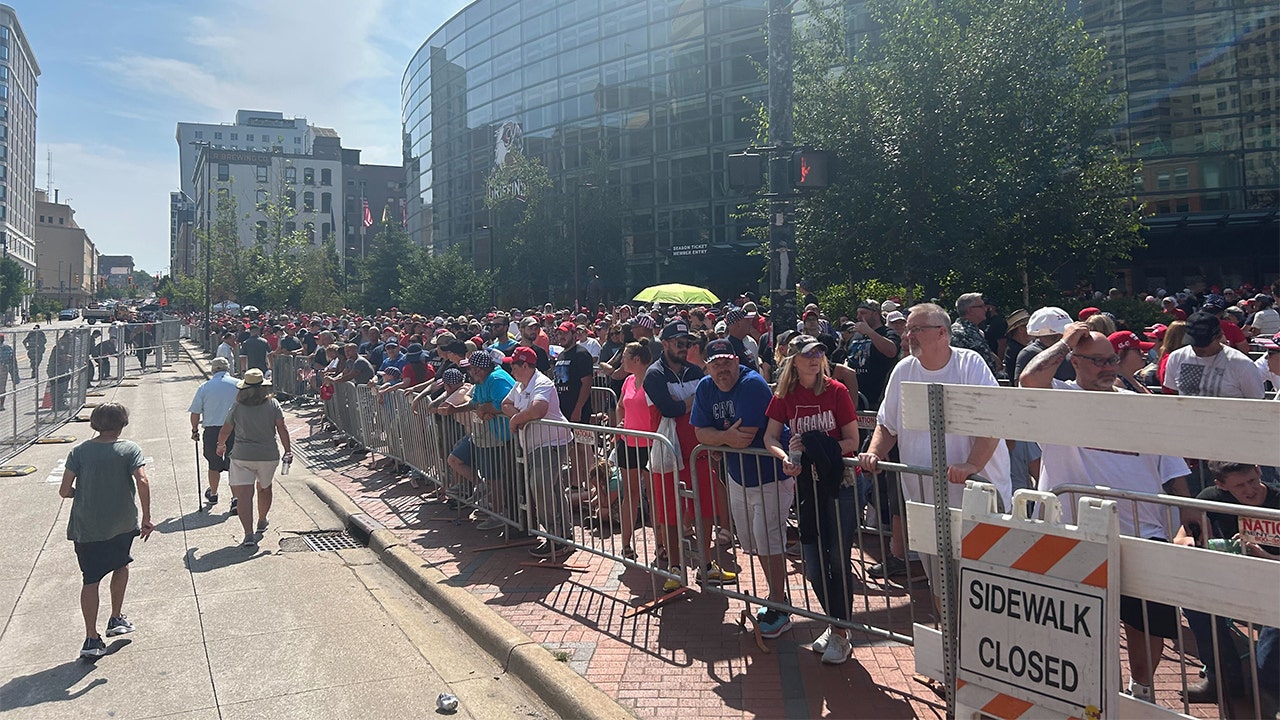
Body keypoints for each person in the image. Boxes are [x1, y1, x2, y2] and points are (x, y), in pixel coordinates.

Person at [1020, 323, 1191, 703]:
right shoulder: (1060, 397)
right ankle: (1090, 694)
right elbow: (1030, 379)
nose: (1108, 368)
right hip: (1079, 533)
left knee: (1148, 623)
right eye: (1097, 361)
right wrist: (1066, 340)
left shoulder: (1139, 404)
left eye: (1111, 360)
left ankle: (1141, 691)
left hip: (1146, 530)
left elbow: (1172, 467)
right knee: (1081, 621)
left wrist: (1186, 516)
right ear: (1074, 361)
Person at [857, 303, 1012, 595]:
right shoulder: (903, 370)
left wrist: (972, 465)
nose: (907, 336)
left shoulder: (970, 364)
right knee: (940, 586)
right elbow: (887, 424)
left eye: (916, 329)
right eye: (907, 330)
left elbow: (993, 420)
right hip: (924, 501)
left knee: (982, 589)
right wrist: (875, 452)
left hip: (975, 499)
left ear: (942, 332)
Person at [763, 335, 863, 664]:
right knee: (814, 562)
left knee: (837, 559)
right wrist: (785, 457)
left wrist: (818, 447)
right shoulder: (785, 395)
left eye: (819, 353)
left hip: (841, 484)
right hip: (807, 486)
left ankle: (841, 633)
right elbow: (770, 436)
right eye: (807, 354)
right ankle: (837, 625)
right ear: (793, 360)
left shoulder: (837, 391)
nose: (814, 359)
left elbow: (852, 440)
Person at [692, 339, 792, 640]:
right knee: (753, 541)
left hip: (770, 475)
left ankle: (780, 606)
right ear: (707, 366)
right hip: (738, 477)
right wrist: (724, 438)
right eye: (716, 363)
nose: (722, 368)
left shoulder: (752, 384)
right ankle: (776, 596)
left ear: (737, 361)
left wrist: (717, 439)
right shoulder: (705, 387)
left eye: (727, 361)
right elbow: (700, 432)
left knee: (768, 539)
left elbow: (744, 437)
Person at [1174, 461, 1280, 707]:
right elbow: (1180, 537)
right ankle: (1221, 676)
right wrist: (1191, 542)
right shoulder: (1211, 498)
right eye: (1240, 486)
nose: (1250, 490)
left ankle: (1268, 687)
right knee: (1194, 602)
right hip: (1232, 581)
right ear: (1221, 485)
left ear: (1258, 470)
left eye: (1252, 481)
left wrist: (1265, 557)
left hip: (1274, 582)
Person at [643, 319, 735, 589]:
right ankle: (675, 567)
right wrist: (695, 402)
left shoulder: (695, 371)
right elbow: (669, 409)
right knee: (671, 513)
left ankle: (705, 565)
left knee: (705, 509)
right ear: (665, 343)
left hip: (699, 452)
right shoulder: (654, 374)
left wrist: (688, 406)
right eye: (679, 343)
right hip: (668, 454)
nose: (684, 348)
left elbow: (708, 405)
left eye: (687, 343)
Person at [58, 402, 153, 659]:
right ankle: (116, 617)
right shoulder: (130, 449)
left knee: (90, 578)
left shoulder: (79, 452)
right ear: (123, 423)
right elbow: (142, 480)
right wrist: (147, 516)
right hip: (122, 522)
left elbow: (64, 490)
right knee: (121, 565)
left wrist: (82, 494)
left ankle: (91, 637)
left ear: (95, 423)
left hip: (87, 526)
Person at [503, 346, 575, 559]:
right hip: (535, 445)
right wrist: (519, 416)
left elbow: (538, 409)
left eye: (514, 365)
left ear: (525, 365)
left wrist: (517, 419)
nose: (511, 370)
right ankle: (562, 535)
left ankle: (557, 537)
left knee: (541, 488)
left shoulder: (542, 382)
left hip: (551, 442)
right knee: (550, 489)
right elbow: (505, 404)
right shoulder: (519, 385)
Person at [216, 369, 292, 548]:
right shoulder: (272, 404)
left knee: (244, 495)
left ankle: (248, 534)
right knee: (265, 488)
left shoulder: (237, 406)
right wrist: (288, 450)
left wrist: (221, 445)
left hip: (242, 455)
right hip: (267, 455)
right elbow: (282, 428)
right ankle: (262, 519)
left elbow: (226, 429)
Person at [613, 338, 660, 560]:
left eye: (625, 357)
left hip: (650, 444)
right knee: (630, 495)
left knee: (653, 495)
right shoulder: (628, 381)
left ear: (637, 359)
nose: (622, 361)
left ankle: (661, 543)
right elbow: (620, 405)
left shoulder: (653, 381)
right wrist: (619, 424)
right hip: (628, 443)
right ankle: (626, 544)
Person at [189, 357, 242, 512]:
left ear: (213, 370)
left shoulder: (205, 387)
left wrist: (194, 430)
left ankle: (213, 493)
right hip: (235, 428)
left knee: (213, 463)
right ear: (228, 368)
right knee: (234, 464)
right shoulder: (238, 384)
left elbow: (195, 413)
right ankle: (236, 498)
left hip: (212, 430)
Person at [843, 300, 901, 408]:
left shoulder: (888, 333)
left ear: (875, 314)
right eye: (858, 313)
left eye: (863, 313)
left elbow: (891, 351)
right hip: (855, 398)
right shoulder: (855, 336)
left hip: (878, 399)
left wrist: (869, 332)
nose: (858, 317)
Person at [951, 292, 1002, 376]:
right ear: (970, 310)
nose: (985, 309)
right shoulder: (960, 333)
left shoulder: (974, 331)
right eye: (981, 306)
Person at [0, 333, 18, 410]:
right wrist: (15, 375)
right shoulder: (7, 347)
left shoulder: (6, 348)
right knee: (2, 388)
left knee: (2, 388)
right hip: (3, 368)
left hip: (3, 368)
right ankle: (1, 405)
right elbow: (12, 361)